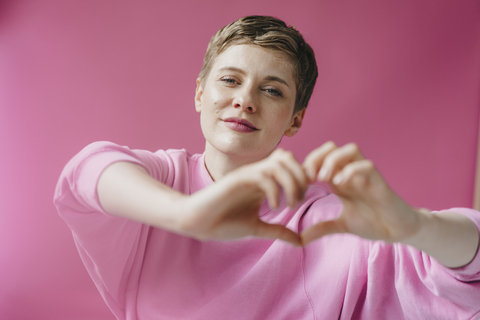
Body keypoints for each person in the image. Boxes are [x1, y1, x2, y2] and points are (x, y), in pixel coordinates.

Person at [54, 15, 480, 320]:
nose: (245, 99)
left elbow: (467, 273)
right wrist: (187, 214)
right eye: (229, 80)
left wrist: (415, 227)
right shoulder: (163, 179)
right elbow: (87, 172)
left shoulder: (329, 222)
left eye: (272, 90)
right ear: (200, 94)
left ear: (295, 119)